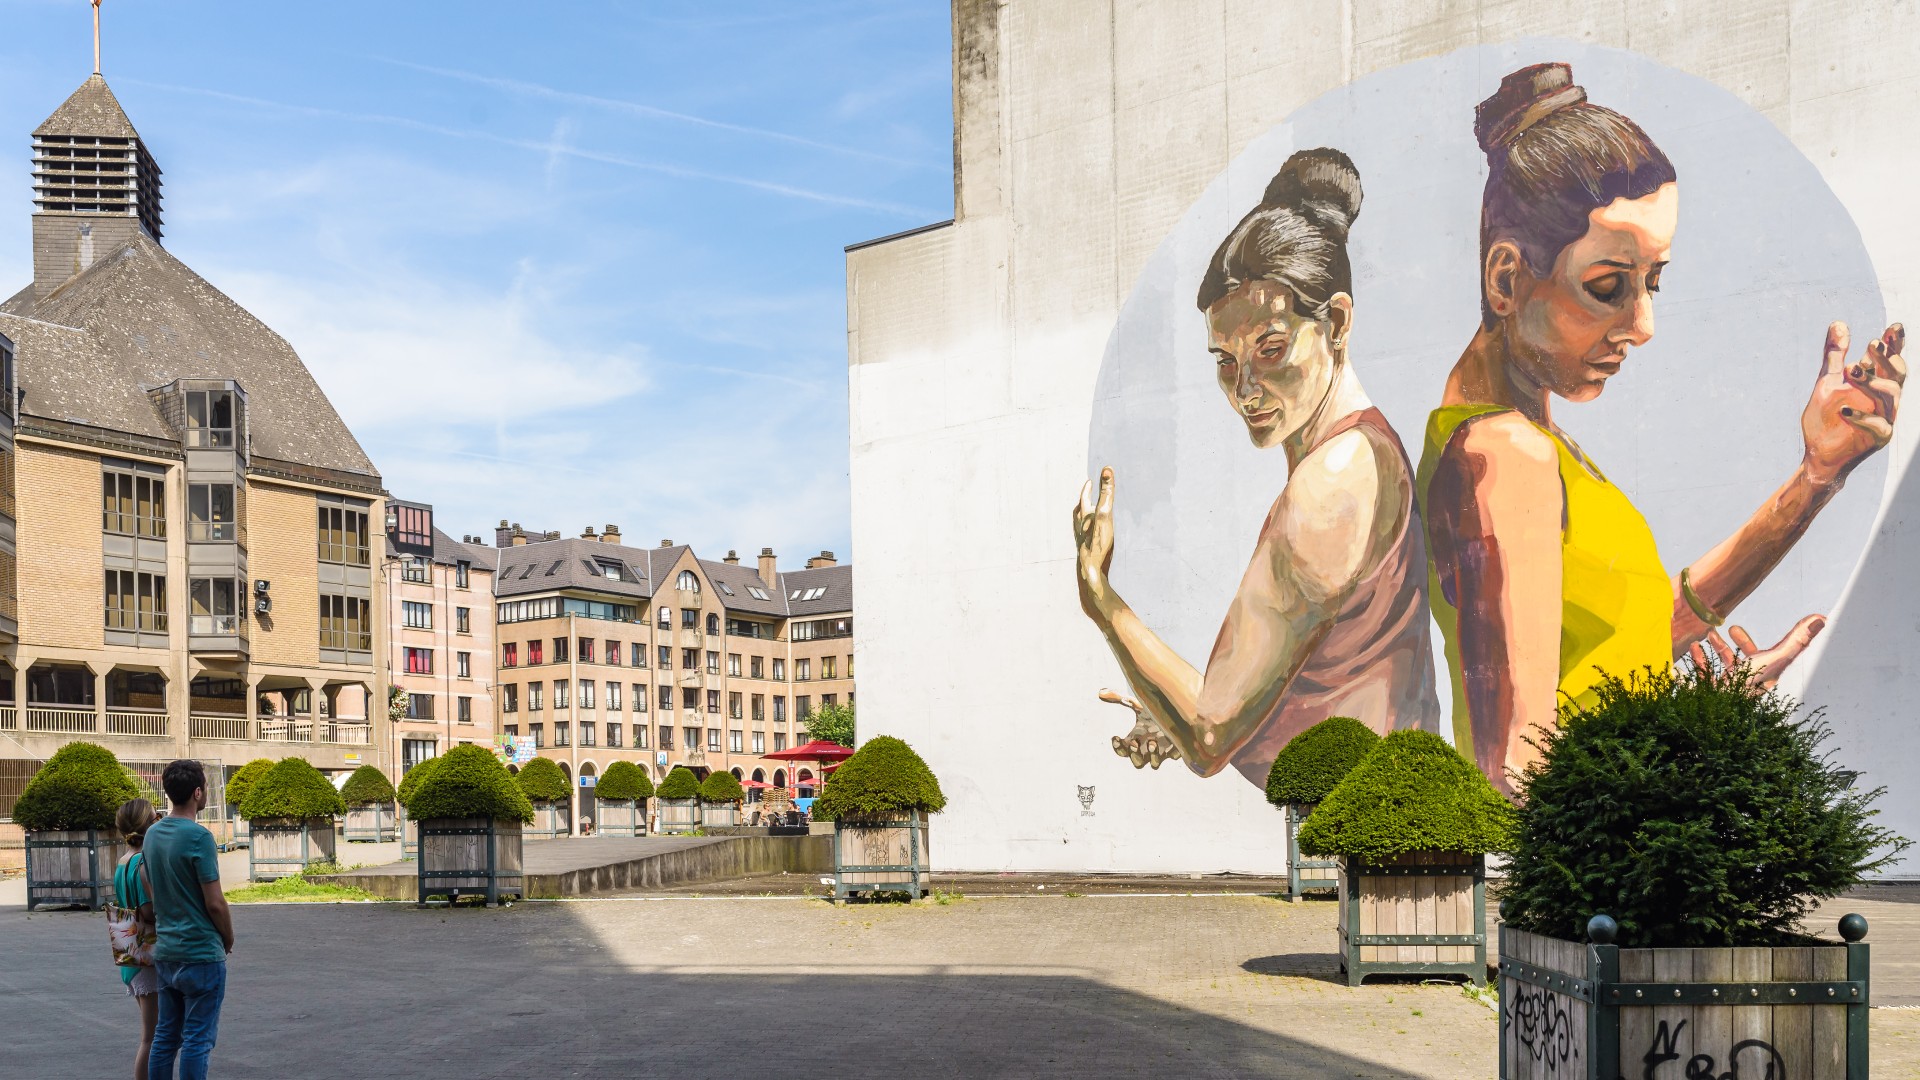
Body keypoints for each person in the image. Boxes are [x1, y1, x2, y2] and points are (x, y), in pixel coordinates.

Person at [1418, 63, 1904, 796]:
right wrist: (1695, 751)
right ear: (1507, 279)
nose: (1642, 327)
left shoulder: (1529, 440)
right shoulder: (1503, 455)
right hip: (1587, 897)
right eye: (1608, 287)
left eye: (1653, 283)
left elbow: (1627, 636)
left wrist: (1817, 475)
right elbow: (1516, 773)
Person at [1074, 148, 1442, 788]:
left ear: (1338, 323)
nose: (1244, 388)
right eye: (1224, 360)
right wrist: (1171, 713)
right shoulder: (1364, 450)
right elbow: (1310, 700)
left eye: (1270, 349)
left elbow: (1213, 732)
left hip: (1367, 847)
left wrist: (1099, 597)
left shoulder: (1333, 482)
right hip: (1373, 827)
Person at [144, 759, 235, 1080]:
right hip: (200, 953)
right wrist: (228, 938)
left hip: (166, 952)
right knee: (197, 1039)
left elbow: (151, 886)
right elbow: (215, 903)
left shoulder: (152, 835)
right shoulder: (200, 837)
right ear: (198, 793)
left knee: (166, 1036)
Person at [113, 798, 160, 1080]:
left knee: (150, 1035)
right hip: (146, 953)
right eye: (156, 817)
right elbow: (147, 910)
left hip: (129, 951)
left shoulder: (122, 860)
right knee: (151, 1037)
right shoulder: (141, 862)